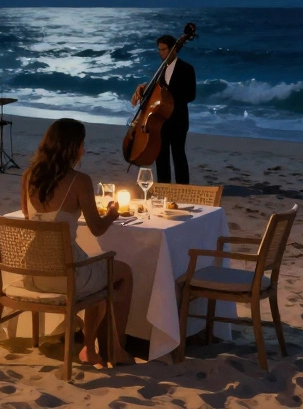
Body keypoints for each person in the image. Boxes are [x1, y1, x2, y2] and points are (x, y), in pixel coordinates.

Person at [20, 118, 133, 366]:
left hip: (32, 272)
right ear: (72, 147)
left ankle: (94, 348)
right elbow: (97, 229)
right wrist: (112, 214)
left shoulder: (28, 177)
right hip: (65, 273)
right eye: (82, 143)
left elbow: (30, 219)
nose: (84, 149)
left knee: (99, 277)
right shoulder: (79, 181)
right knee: (122, 272)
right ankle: (112, 348)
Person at [131, 35, 196, 185]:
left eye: (164, 50)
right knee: (161, 156)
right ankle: (163, 188)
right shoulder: (160, 70)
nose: (161, 53)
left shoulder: (186, 68)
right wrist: (143, 88)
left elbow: (191, 95)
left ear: (173, 48)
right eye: (159, 50)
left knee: (178, 155)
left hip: (178, 120)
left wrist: (168, 94)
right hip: (160, 120)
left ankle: (182, 189)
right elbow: (155, 92)